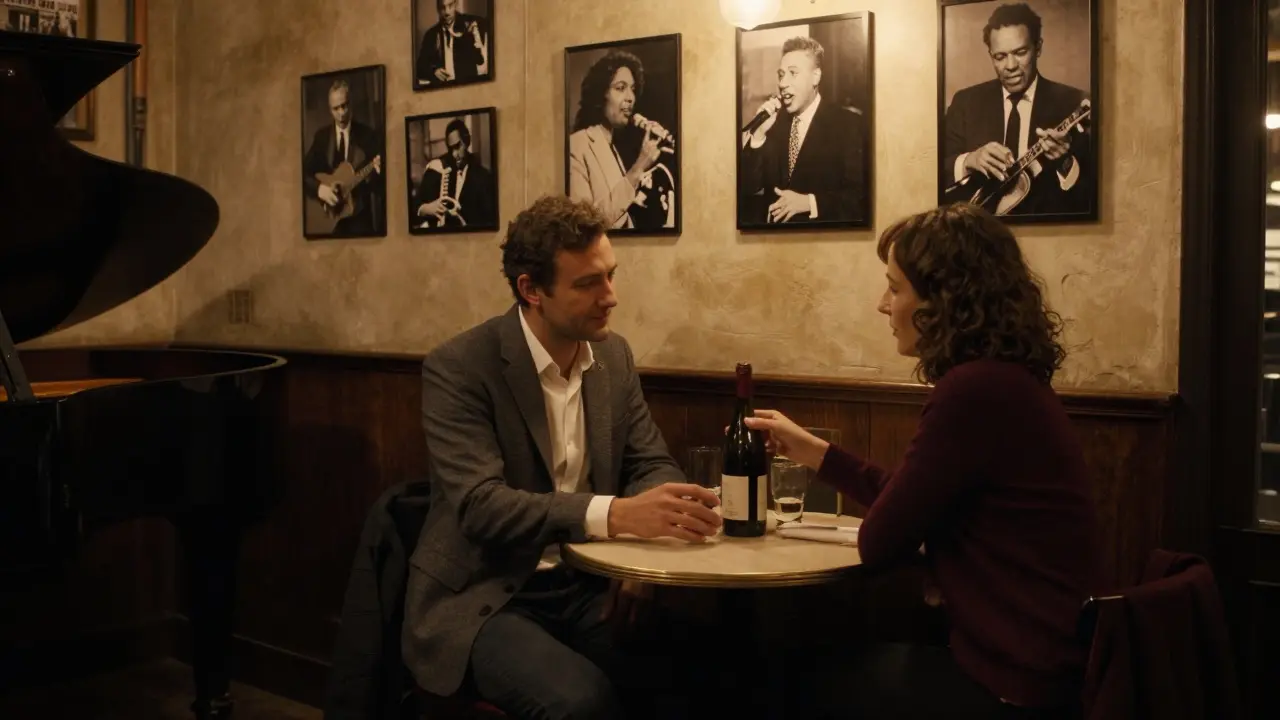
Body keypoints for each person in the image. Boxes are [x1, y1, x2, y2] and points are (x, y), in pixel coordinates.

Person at [748, 203, 1102, 718]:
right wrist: (813, 451)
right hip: (1042, 662)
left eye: (894, 288)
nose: (882, 305)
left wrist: (929, 552)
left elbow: (879, 541)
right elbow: (914, 500)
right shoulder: (1005, 379)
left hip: (1015, 681)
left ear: (944, 300)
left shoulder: (971, 392)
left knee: (791, 680)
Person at [401, 195, 721, 720]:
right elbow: (482, 506)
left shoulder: (613, 356)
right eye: (588, 283)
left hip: (587, 582)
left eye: (611, 275)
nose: (611, 296)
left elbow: (650, 464)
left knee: (705, 667)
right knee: (582, 702)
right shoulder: (460, 366)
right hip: (487, 596)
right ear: (532, 290)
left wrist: (644, 559)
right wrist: (617, 516)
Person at [941, 2, 1092, 217]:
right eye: (1000, 57)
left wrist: (1064, 162)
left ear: (1038, 48)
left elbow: (1090, 197)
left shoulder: (1073, 102)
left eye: (1020, 52)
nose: (1010, 66)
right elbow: (934, 172)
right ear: (990, 54)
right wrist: (968, 161)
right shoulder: (965, 103)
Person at [738, 35, 866, 225]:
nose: (783, 83)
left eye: (793, 73)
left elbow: (860, 197)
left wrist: (810, 203)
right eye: (781, 75)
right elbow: (748, 188)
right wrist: (758, 135)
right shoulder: (773, 123)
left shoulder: (848, 124)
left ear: (816, 77)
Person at [567, 50, 675, 231]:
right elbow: (584, 225)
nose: (630, 98)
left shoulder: (613, 148)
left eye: (632, 89)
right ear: (600, 95)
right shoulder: (577, 145)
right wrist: (639, 166)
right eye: (620, 88)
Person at [302, 79, 384, 236]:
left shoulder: (368, 135)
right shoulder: (322, 137)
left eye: (344, 106)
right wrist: (321, 189)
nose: (341, 113)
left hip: (359, 219)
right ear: (330, 110)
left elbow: (380, 184)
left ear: (350, 104)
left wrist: (375, 174)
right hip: (330, 219)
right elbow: (303, 174)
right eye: (336, 108)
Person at [412, 116, 497, 229]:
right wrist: (426, 209)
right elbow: (415, 207)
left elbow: (488, 221)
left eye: (457, 146)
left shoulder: (483, 177)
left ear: (467, 141)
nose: (454, 154)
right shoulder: (438, 166)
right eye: (450, 148)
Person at [415, 0, 489, 87]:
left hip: (468, 87)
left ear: (456, 4)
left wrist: (474, 35)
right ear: (438, 9)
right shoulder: (431, 34)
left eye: (450, 5)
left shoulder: (471, 24)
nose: (447, 12)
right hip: (443, 89)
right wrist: (433, 71)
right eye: (442, 8)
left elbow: (480, 61)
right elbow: (420, 67)